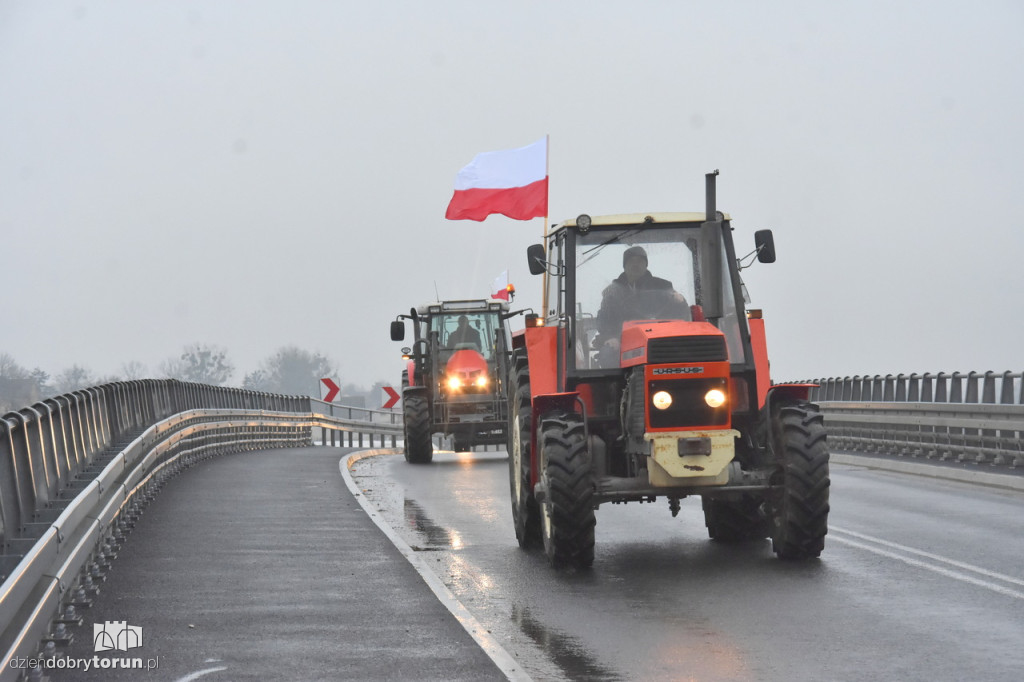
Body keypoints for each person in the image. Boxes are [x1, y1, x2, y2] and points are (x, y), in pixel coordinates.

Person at [594, 246, 689, 366]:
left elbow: (680, 313)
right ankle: (614, 385)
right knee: (607, 354)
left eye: (639, 261)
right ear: (625, 265)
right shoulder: (612, 292)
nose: (635, 264)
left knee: (684, 352)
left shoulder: (663, 286)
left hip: (659, 337)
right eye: (631, 261)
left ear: (646, 265)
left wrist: (680, 301)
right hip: (623, 340)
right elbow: (604, 320)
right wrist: (611, 337)